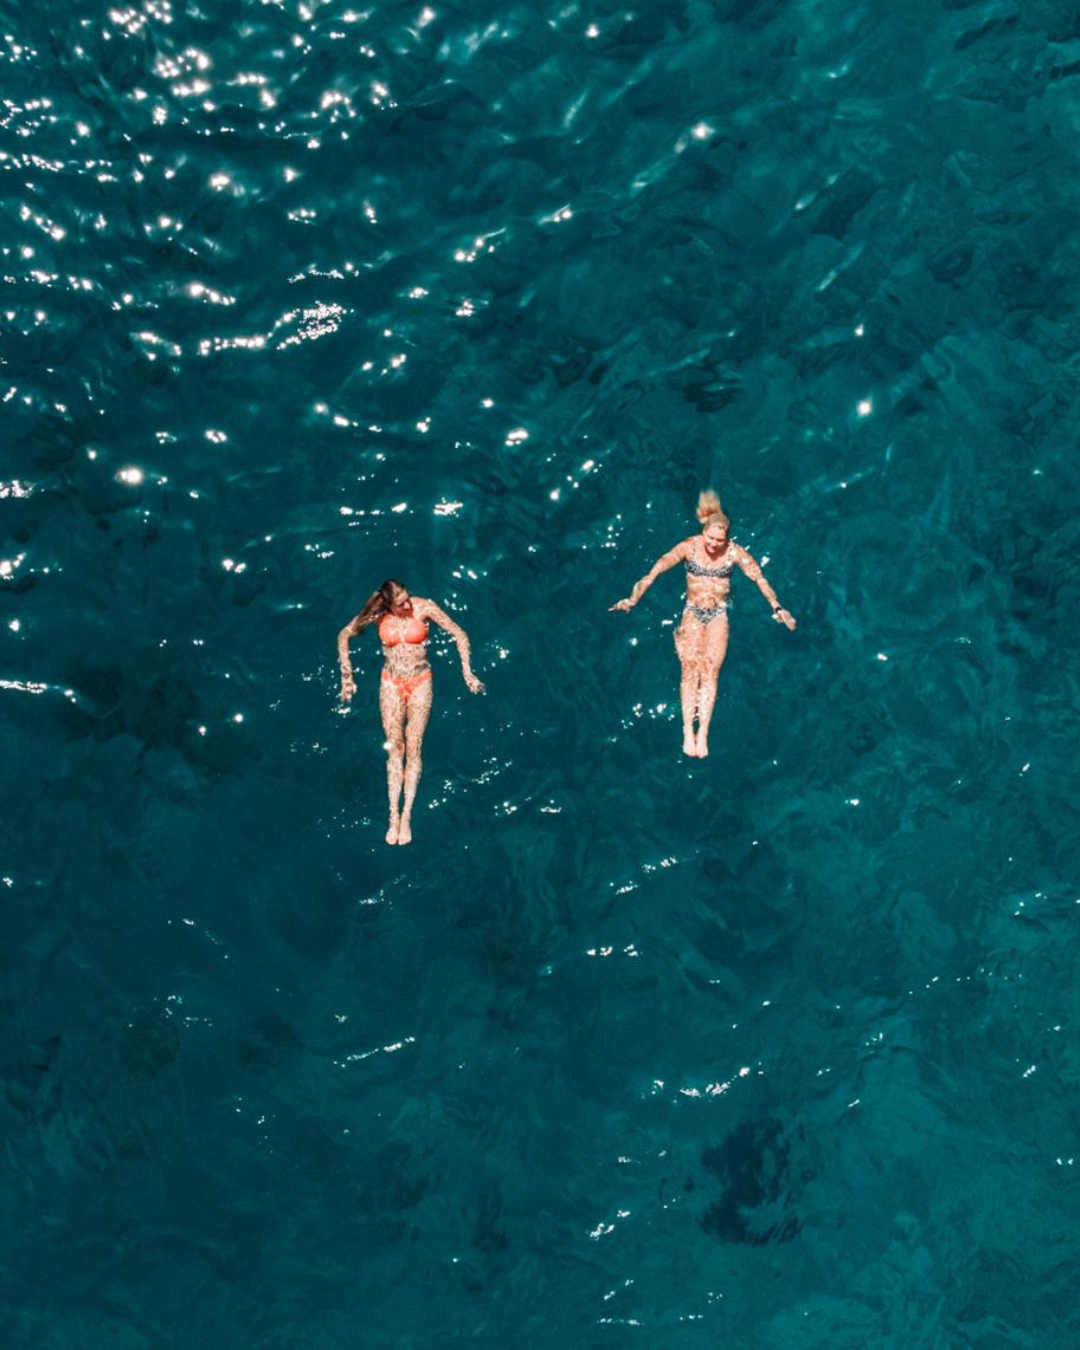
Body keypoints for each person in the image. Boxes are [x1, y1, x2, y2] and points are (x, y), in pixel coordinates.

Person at [610, 490, 796, 758]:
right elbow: (656, 570)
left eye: (720, 540)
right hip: (693, 611)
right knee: (690, 670)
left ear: (727, 538)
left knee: (710, 672)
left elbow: (759, 579)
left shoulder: (734, 553)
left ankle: (703, 733)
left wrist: (777, 607)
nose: (714, 544)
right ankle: (688, 731)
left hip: (718, 613)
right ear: (704, 531)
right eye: (711, 538)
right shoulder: (689, 547)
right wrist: (632, 599)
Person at [338, 579, 483, 844]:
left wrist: (467, 671)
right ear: (388, 604)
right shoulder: (378, 615)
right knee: (396, 748)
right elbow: (344, 635)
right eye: (401, 602)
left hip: (420, 681)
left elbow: (458, 633)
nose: (407, 605)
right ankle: (393, 815)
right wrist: (347, 676)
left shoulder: (424, 607)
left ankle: (407, 815)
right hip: (391, 682)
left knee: (414, 746)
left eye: (407, 598)